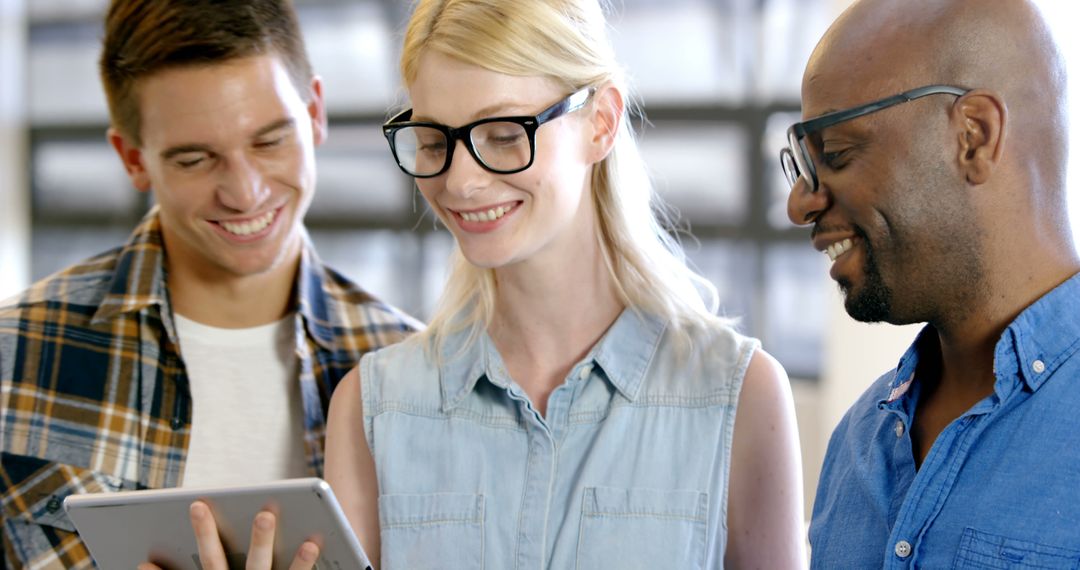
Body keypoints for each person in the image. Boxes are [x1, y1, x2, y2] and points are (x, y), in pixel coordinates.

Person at [0, 0, 419, 568]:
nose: (244, 193)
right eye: (195, 159)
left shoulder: (411, 371)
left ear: (316, 113)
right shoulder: (12, 358)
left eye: (270, 141)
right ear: (133, 159)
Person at [780, 0, 1080, 567]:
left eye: (836, 154)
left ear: (973, 135)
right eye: (800, 166)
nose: (800, 204)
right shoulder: (857, 444)